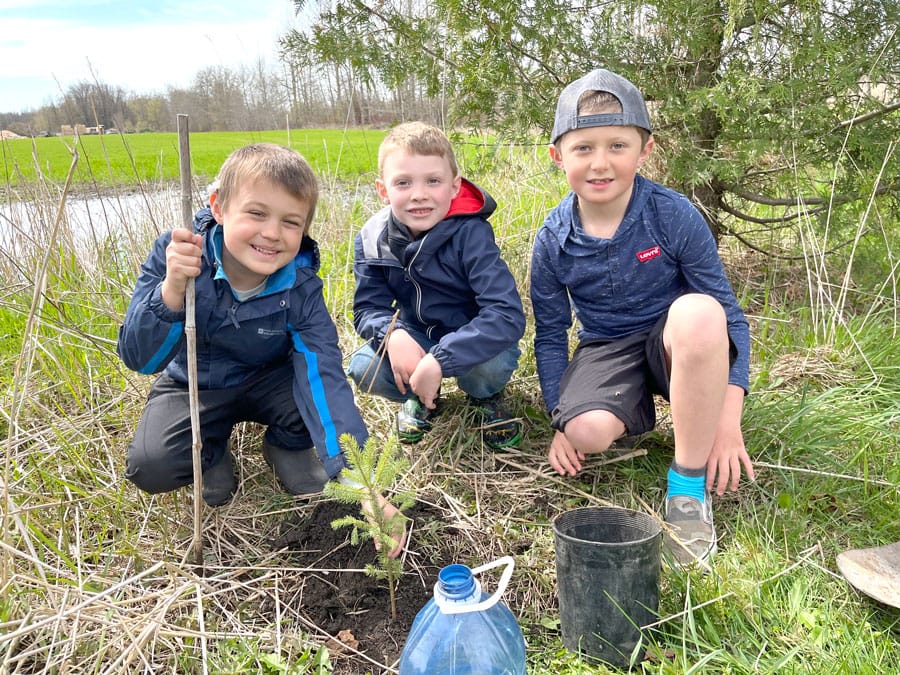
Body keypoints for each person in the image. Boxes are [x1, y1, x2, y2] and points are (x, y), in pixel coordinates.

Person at [118, 143, 405, 556]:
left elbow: (323, 375)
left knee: (313, 414)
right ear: (218, 207)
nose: (272, 233)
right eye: (256, 213)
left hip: (271, 382)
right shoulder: (179, 256)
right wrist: (172, 292)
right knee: (153, 466)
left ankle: (284, 446)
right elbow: (140, 359)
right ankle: (211, 449)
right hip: (195, 384)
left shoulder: (301, 286)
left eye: (291, 222)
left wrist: (360, 482)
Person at [530, 69, 755, 566]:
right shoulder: (551, 240)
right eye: (583, 148)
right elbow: (549, 335)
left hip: (675, 341)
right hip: (607, 349)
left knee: (699, 312)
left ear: (645, 150)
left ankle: (687, 488)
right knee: (586, 432)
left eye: (617, 145)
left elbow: (730, 319)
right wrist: (557, 417)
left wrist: (728, 420)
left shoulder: (672, 215)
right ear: (557, 155)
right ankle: (637, 411)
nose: (600, 163)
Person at [346, 122, 526, 449]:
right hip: (417, 334)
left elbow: (506, 314)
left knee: (490, 365)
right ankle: (425, 395)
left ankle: (486, 396)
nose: (419, 194)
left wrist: (440, 359)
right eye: (403, 182)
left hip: (473, 336)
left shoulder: (471, 233)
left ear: (455, 186)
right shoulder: (372, 238)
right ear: (383, 190)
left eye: (433, 181)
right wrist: (393, 334)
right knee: (363, 368)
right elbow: (366, 308)